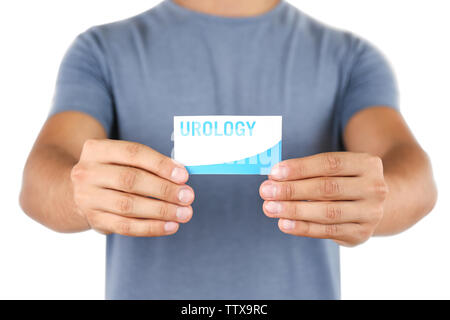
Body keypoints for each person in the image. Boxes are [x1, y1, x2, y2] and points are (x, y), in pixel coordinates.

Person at [20, 0, 437, 299]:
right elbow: (40, 179)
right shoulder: (99, 51)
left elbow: (411, 173)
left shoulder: (351, 58)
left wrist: (382, 197)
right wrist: (78, 193)